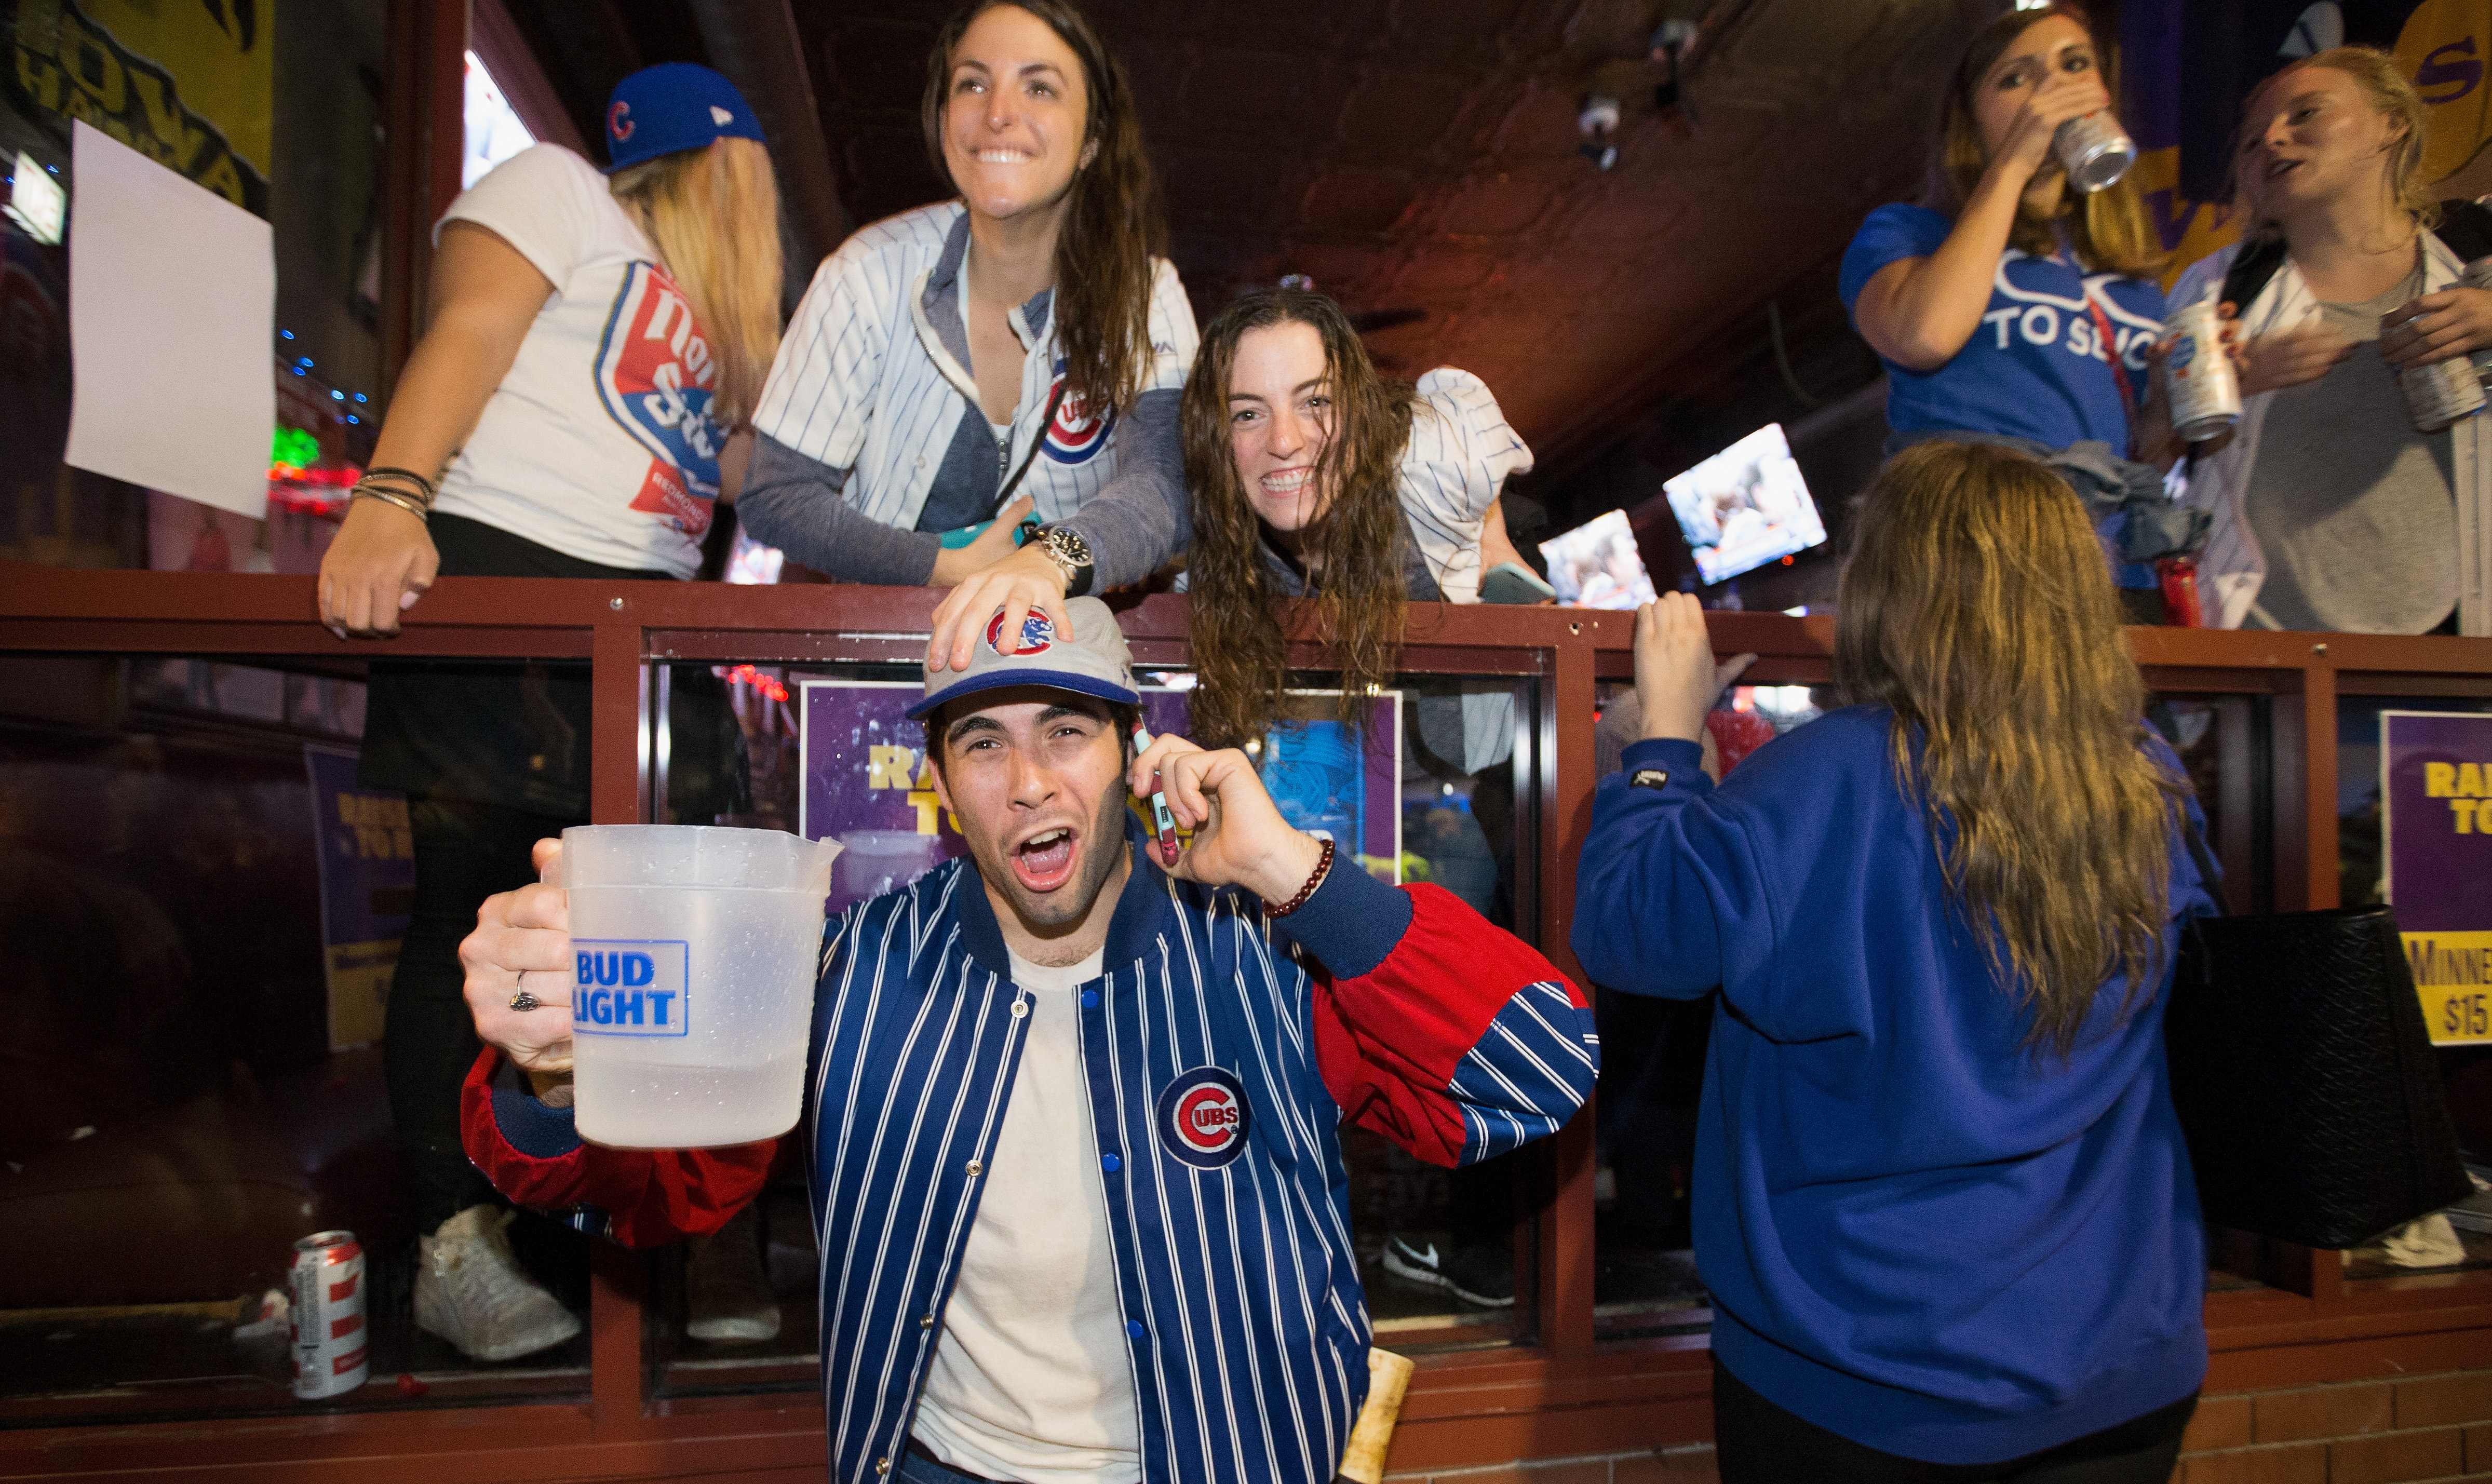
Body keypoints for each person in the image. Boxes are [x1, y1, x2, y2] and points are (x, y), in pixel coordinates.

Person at [453, 599, 1598, 1483]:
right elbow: (646, 1192)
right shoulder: (845, 970)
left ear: (1133, 755)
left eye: (1066, 730)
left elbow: (1537, 1071)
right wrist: (551, 1068)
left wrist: (1289, 871)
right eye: (983, 744)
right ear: (943, 787)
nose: (1030, 780)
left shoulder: (1267, 953)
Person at [1574, 440, 2219, 1482]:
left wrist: (1663, 739)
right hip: (2120, 1368)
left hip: (1861, 1381)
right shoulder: (2141, 781)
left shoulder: (1822, 778)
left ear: (1885, 592)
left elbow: (1631, 932)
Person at [311, 64, 782, 1361]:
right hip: (518, 575)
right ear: (730, 169)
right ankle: (456, 1242)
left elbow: (778, 479)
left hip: (650, 625)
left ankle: (691, 1223)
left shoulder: (715, 315)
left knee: (688, 937)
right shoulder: (561, 189)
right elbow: (465, 325)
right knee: (478, 925)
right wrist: (390, 493)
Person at [740, 0, 1197, 667]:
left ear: (1092, 140)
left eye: (1038, 87)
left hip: (1069, 672)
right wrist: (939, 564)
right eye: (973, 83)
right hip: (883, 677)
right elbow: (775, 495)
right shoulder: (867, 271)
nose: (998, 113)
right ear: (941, 117)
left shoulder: (1144, 291)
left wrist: (1047, 563)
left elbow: (1164, 489)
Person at [1840, 4, 2191, 613]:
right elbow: (1922, 336)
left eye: (2073, 65)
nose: (2051, 89)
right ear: (1969, 120)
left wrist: (2166, 404)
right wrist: (2013, 165)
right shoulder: (1910, 233)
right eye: (2016, 78)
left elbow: (2144, 452)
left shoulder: (2133, 281)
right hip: (1972, 558)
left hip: (2104, 569)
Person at [2170, 46, 2490, 636]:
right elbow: (2144, 466)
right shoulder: (2214, 290)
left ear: (2392, 124)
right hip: (2268, 654)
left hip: (2465, 647)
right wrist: (2223, 386)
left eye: (2304, 114)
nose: (2271, 139)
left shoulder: (2478, 245)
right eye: (2249, 142)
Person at [1175, 285, 1533, 751]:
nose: (1284, 441)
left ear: (1357, 411)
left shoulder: (1436, 464)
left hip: (1487, 742)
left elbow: (1465, 453)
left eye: (1315, 402)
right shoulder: (1218, 548)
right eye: (1246, 413)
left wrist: (1491, 533)